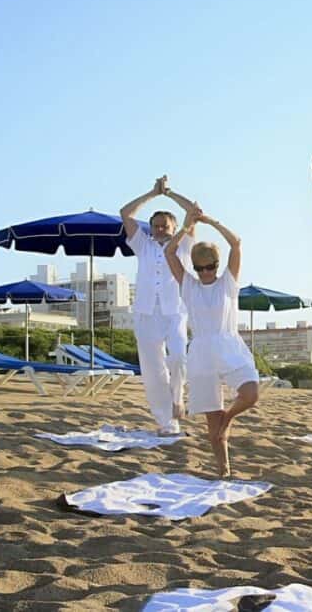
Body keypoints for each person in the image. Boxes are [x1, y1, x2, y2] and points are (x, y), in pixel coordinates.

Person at [165, 207, 259, 478]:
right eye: (199, 268)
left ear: (216, 265)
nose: (205, 272)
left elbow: (236, 243)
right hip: (202, 352)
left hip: (230, 346)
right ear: (194, 267)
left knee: (250, 394)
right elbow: (169, 253)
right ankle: (223, 469)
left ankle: (229, 419)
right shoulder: (189, 285)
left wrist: (210, 221)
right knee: (212, 420)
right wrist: (186, 225)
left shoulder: (227, 283)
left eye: (209, 267)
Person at [120, 176, 199, 435]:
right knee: (153, 369)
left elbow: (193, 211)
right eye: (155, 226)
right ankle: (167, 422)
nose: (160, 230)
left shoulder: (184, 243)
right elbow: (126, 213)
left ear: (174, 227)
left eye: (165, 226)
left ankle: (177, 399)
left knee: (178, 357)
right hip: (145, 312)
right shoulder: (143, 245)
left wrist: (169, 193)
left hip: (174, 311)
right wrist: (153, 194)